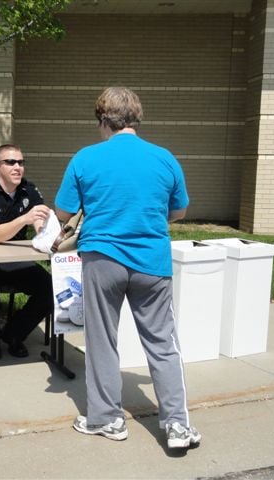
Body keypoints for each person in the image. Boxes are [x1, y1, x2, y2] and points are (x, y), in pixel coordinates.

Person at [54, 87, 201, 450]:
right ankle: (177, 425)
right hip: (152, 261)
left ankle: (106, 419)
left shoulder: (85, 158)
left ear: (103, 120)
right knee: (163, 342)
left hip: (102, 259)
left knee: (102, 340)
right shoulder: (164, 158)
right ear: (136, 118)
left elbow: (62, 212)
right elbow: (179, 211)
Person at [0, 144, 54, 361]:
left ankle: (14, 334)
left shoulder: (29, 191)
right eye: (11, 162)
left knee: (52, 289)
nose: (18, 167)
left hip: (15, 260)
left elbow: (41, 229)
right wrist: (24, 218)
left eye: (21, 162)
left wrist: (51, 234)